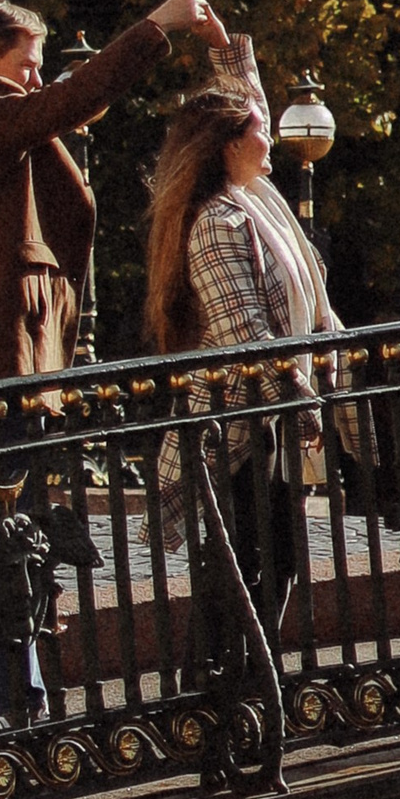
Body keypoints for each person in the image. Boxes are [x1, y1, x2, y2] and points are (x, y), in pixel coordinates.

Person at [0, 0, 229, 733]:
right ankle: (14, 708)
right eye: (29, 62)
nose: (38, 79)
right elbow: (73, 100)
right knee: (0, 545)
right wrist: (156, 24)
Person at [144, 41, 345, 632]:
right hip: (239, 426)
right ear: (231, 146)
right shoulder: (217, 221)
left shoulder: (255, 197)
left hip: (272, 419)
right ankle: (221, 691)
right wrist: (305, 408)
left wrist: (220, 42)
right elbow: (245, 334)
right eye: (260, 132)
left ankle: (239, 688)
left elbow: (247, 103)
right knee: (249, 565)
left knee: (271, 562)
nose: (272, 139)